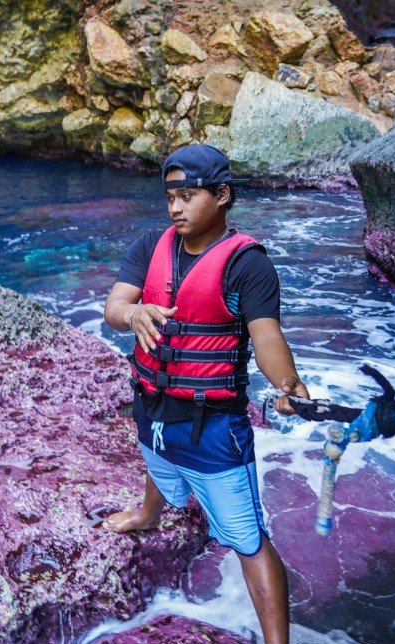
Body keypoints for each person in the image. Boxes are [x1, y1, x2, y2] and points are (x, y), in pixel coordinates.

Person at [102, 143, 309, 643]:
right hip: (153, 403)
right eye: (170, 196)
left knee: (247, 539)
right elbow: (114, 306)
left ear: (222, 195)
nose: (175, 207)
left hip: (213, 425)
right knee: (156, 455)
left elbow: (267, 338)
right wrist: (134, 315)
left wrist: (287, 384)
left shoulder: (248, 264)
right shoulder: (151, 245)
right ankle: (150, 513)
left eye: (188, 195)